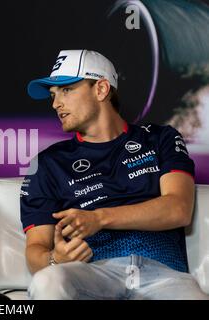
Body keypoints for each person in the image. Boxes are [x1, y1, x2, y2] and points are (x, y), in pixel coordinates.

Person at [20, 49, 209, 300]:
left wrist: (99, 218)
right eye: (53, 95)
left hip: (164, 276)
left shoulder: (160, 138)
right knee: (48, 281)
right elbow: (36, 249)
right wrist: (55, 259)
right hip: (93, 276)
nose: (56, 103)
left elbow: (178, 208)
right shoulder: (46, 164)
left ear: (101, 89)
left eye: (66, 90)